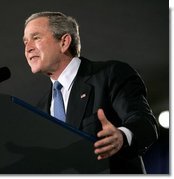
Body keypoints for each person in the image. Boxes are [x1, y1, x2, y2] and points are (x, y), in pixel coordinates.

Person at [23, 11, 159, 174]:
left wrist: (122, 136)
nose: (28, 48)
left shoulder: (110, 74)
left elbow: (144, 122)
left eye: (36, 38)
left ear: (64, 42)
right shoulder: (40, 108)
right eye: (25, 42)